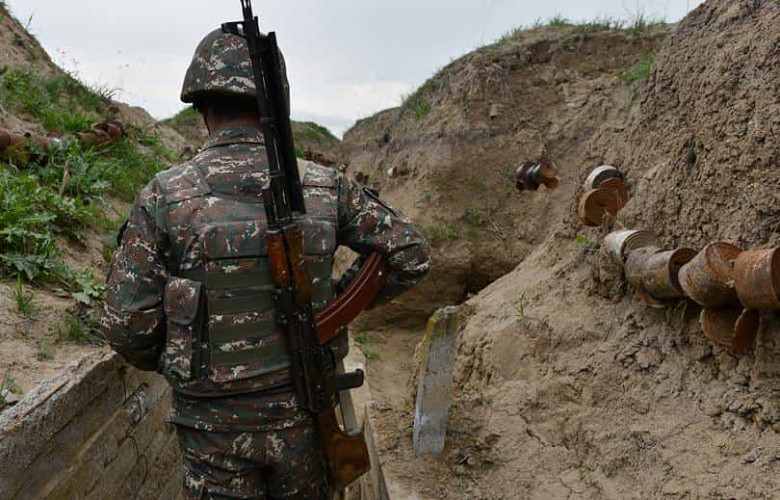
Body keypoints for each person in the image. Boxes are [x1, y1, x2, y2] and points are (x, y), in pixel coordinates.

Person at [101, 28, 430, 499]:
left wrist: (190, 362)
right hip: (305, 420)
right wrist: (329, 312)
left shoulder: (164, 195)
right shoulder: (326, 186)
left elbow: (126, 325)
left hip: (213, 429)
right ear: (276, 101)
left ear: (200, 105)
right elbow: (409, 254)